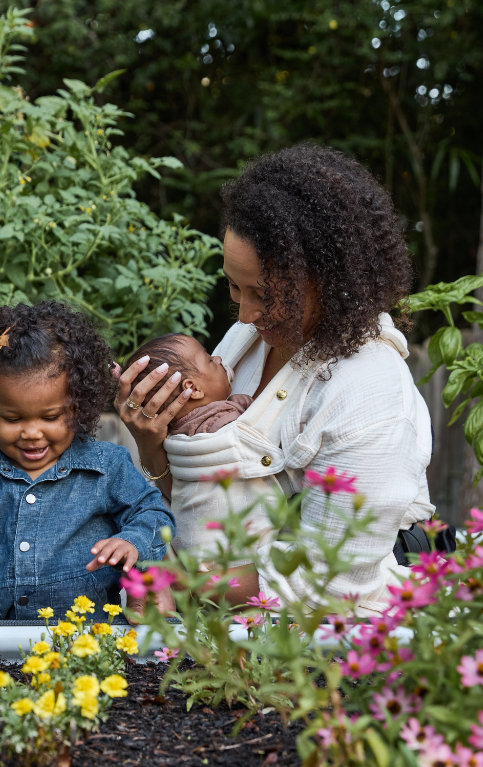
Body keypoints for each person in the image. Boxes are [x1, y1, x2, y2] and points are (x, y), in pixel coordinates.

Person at [115, 144, 435, 614]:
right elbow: (206, 501)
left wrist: (184, 584)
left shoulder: (368, 392)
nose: (244, 313)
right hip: (232, 618)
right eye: (233, 285)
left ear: (329, 277)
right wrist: (154, 445)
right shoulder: (248, 338)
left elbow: (331, 579)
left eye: (263, 293)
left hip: (337, 637)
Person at [0, 301, 176, 618]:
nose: (31, 433)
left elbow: (152, 512)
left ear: (77, 404)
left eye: (50, 417)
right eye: (12, 419)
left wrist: (133, 541)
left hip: (86, 637)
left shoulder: (107, 466)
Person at [122, 334, 277, 562]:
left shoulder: (178, 431)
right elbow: (251, 440)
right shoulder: (220, 424)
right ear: (192, 389)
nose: (218, 357)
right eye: (209, 359)